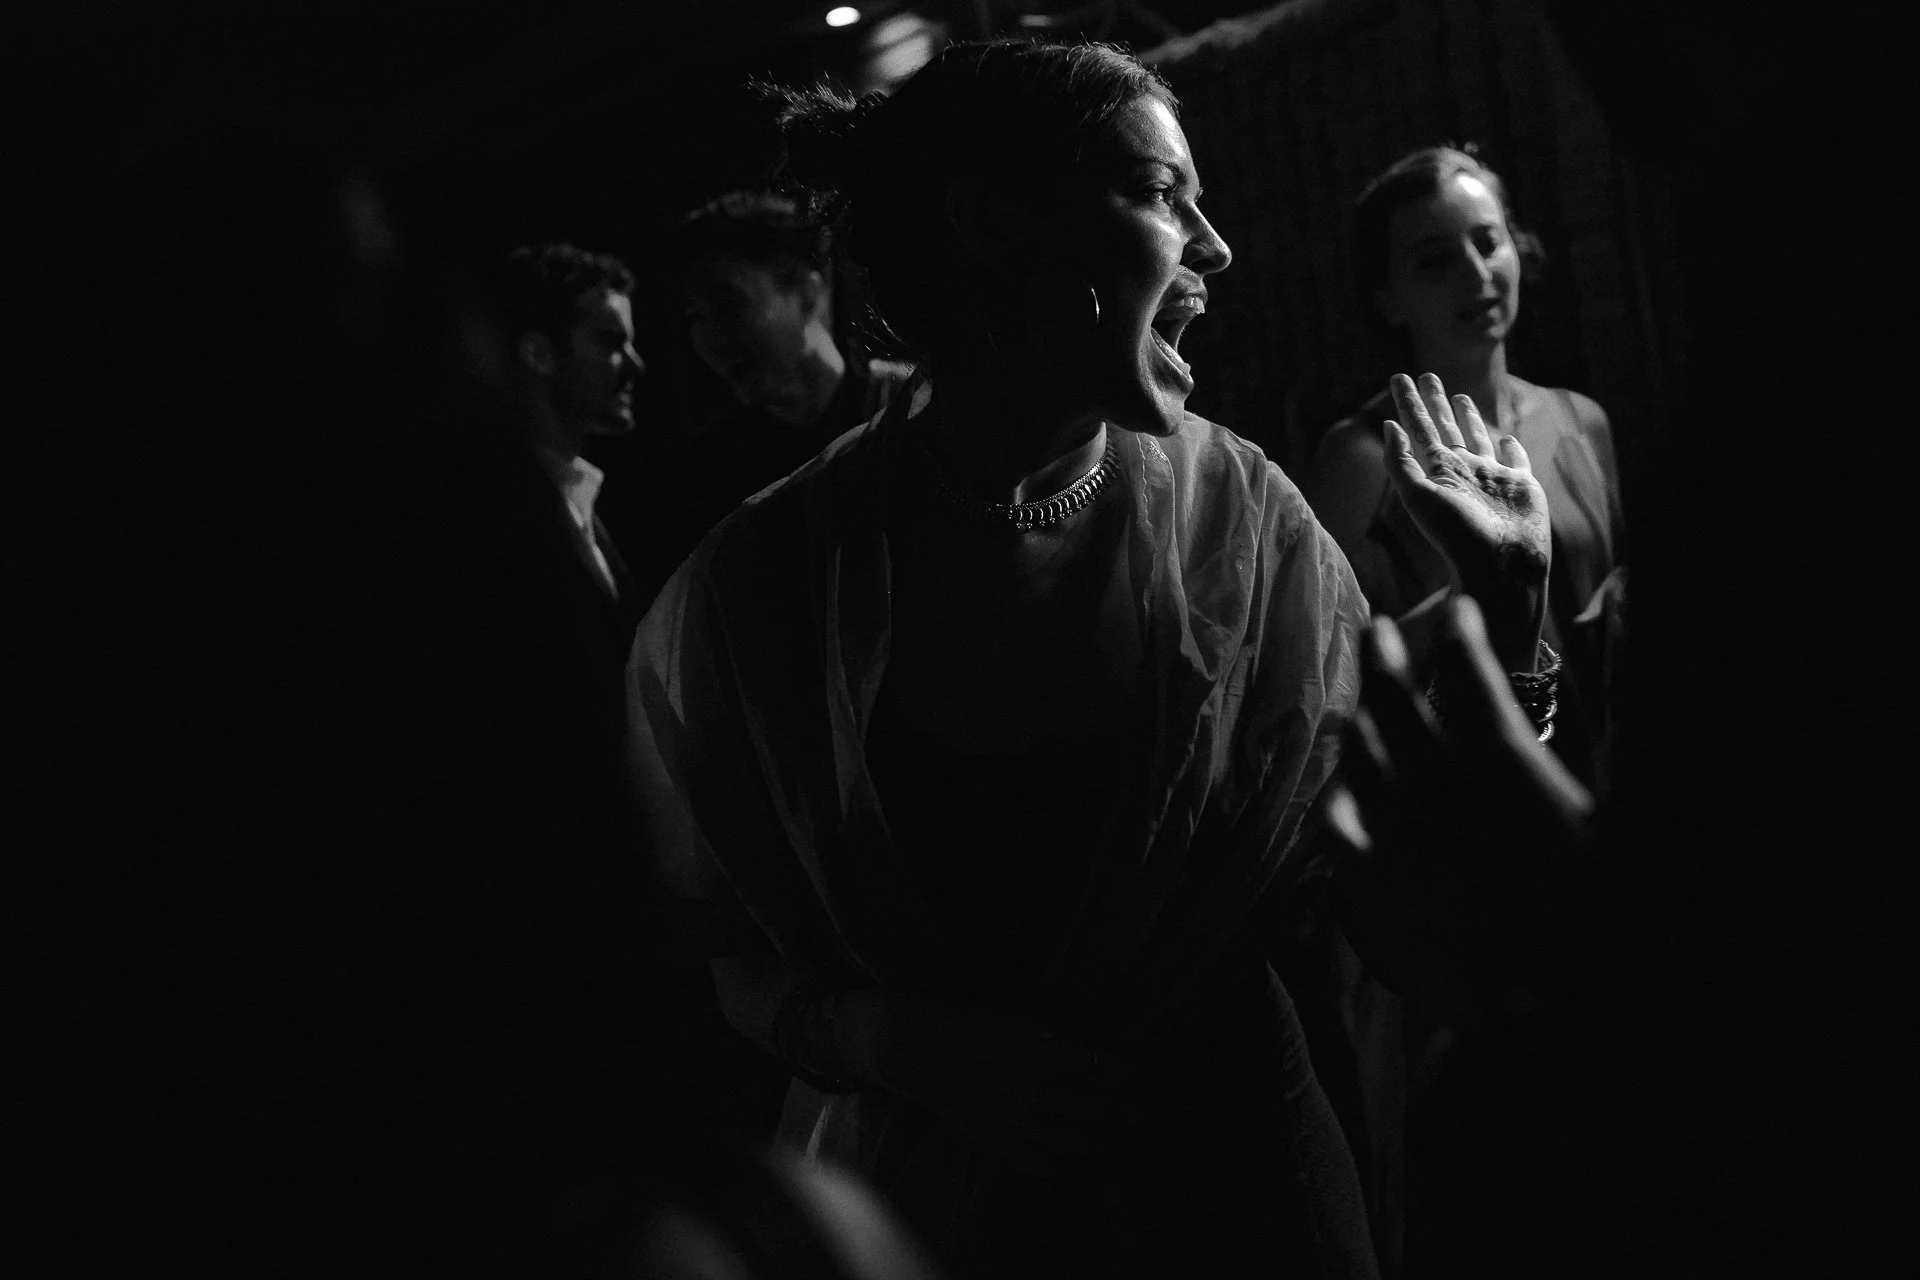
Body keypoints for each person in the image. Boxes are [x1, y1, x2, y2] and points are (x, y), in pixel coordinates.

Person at [629, 39, 1564, 1278]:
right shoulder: (768, 582)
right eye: (1164, 194)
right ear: (995, 223)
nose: (1216, 246)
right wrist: (912, 1046)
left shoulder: (1247, 524)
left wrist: (1509, 609)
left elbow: (1397, 915)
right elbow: (726, 952)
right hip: (947, 1213)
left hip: (1244, 1185)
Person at [1304, 146, 1626, 788]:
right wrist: (1488, 594)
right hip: (1477, 779)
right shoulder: (1365, 457)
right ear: (1387, 298)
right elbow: (1332, 665)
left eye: (1488, 242)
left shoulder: (1579, 418)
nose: (1475, 273)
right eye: (1434, 260)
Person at [668, 191, 913, 561]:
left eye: (727, 306)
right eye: (695, 317)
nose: (710, 339)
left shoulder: (911, 408)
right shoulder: (711, 475)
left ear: (806, 292)